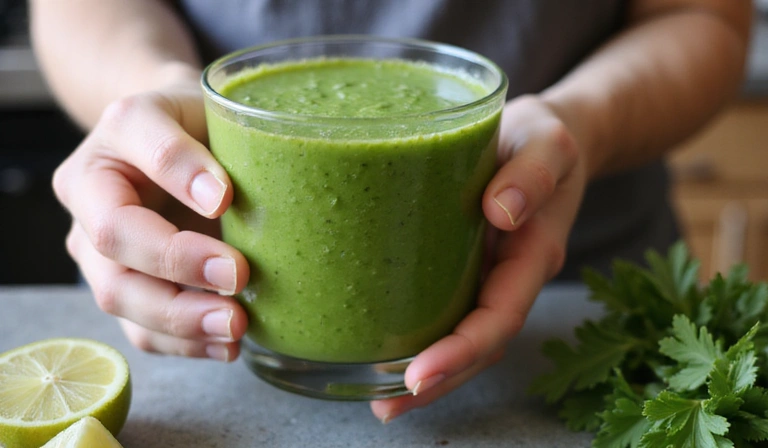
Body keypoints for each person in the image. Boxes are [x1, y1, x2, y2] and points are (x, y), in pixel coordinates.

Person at [30, 0, 752, 423]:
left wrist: (583, 123)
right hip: (216, 307)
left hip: (591, 304)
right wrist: (155, 96)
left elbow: (702, 14)